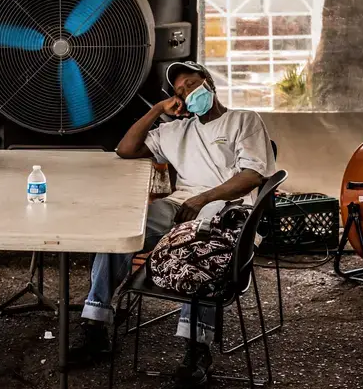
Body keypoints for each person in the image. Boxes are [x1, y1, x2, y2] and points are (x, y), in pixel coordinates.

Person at [70, 61, 276, 387]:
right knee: (119, 231)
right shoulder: (177, 130)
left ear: (208, 82)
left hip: (227, 211)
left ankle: (197, 349)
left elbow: (252, 175)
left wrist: (202, 199)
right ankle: (95, 326)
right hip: (177, 207)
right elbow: (126, 149)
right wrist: (156, 110)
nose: (187, 93)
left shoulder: (243, 120)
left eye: (192, 84)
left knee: (197, 252)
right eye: (180, 91)